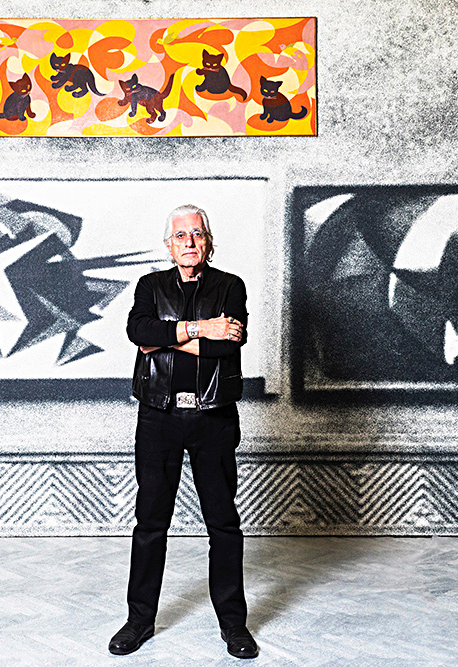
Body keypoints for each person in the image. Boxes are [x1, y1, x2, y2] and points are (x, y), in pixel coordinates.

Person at [109, 204, 258, 659]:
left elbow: (228, 344)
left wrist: (166, 338)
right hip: (159, 417)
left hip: (213, 417)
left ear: (208, 242)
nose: (189, 242)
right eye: (180, 236)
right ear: (168, 245)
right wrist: (199, 330)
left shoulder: (230, 286)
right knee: (150, 523)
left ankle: (234, 625)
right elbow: (138, 331)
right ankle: (139, 621)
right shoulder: (150, 286)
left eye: (197, 234)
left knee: (223, 524)